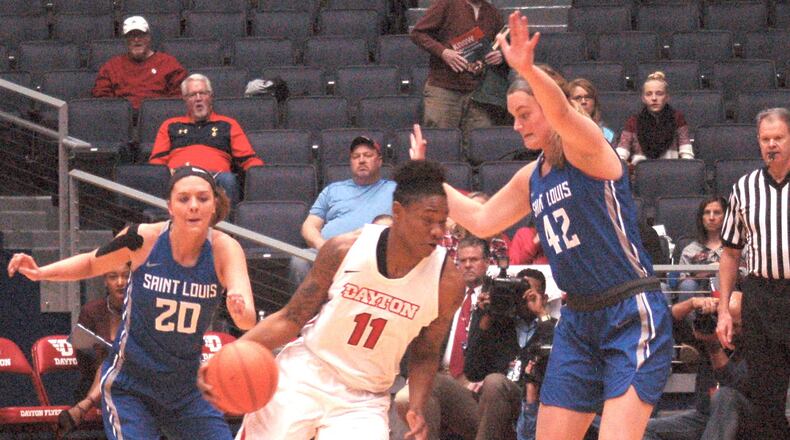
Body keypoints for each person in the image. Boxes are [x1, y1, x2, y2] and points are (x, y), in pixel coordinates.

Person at [410, 12, 673, 440]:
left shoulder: (591, 150)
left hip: (629, 311)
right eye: (513, 116)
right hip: (578, 320)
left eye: (525, 113)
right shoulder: (531, 177)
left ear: (550, 107)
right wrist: (428, 178)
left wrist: (527, 70)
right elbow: (479, 218)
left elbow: (566, 118)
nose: (517, 126)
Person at [207, 160, 465, 440]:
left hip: (365, 398)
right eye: (428, 220)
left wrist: (416, 406)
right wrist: (226, 359)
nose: (438, 231)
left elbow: (426, 352)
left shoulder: (448, 282)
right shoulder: (345, 250)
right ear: (398, 212)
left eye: (442, 221)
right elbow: (290, 318)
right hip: (307, 373)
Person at [7, 166, 257, 440]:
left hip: (187, 389)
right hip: (132, 387)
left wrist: (239, 309)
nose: (194, 206)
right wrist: (42, 272)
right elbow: (92, 262)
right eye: (184, 199)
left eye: (203, 198)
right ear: (170, 206)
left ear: (214, 205)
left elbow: (247, 319)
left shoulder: (225, 248)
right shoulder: (144, 238)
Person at [717, 107, 790, 439]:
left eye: (778, 137)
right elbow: (730, 253)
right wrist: (723, 311)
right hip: (760, 296)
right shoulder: (743, 189)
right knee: (765, 393)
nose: (771, 144)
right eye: (765, 139)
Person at [393, 236, 488, 440]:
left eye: (474, 260)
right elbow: (420, 339)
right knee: (404, 398)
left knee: (424, 388)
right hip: (439, 376)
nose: (468, 265)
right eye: (462, 261)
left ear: (487, 263)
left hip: (473, 386)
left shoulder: (497, 298)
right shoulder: (446, 295)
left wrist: (488, 314)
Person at [642, 292, 749, 440]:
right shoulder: (712, 331)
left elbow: (733, 383)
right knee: (643, 430)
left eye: (736, 325)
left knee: (725, 395)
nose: (731, 329)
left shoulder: (758, 344)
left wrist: (714, 347)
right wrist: (691, 304)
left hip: (742, 420)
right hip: (704, 416)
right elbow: (665, 321)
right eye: (726, 321)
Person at [410, 0, 505, 159]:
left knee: (480, 151)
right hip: (444, 89)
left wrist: (500, 56)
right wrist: (443, 52)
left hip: (479, 94)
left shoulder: (493, 13)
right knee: (440, 148)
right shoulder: (446, 4)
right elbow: (417, 33)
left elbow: (498, 45)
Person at [149, 74, 263, 205]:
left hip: (216, 179)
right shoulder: (170, 125)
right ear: (185, 99)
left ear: (211, 96)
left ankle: (224, 226)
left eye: (202, 93)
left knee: (229, 180)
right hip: (179, 177)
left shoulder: (228, 124)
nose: (198, 98)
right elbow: (156, 163)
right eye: (192, 95)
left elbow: (248, 159)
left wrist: (262, 175)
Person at [57, 263, 130, 438]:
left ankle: (82, 408)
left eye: (126, 276)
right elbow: (83, 358)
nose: (120, 282)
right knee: (109, 362)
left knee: (117, 360)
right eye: (113, 277)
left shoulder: (141, 311)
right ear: (105, 280)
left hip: (131, 385)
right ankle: (87, 403)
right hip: (95, 381)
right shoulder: (91, 312)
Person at [301, 136, 396, 250]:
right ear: (351, 162)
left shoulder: (395, 190)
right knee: (299, 262)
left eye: (368, 155)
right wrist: (321, 245)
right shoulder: (332, 190)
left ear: (379, 161)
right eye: (356, 156)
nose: (361, 160)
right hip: (329, 253)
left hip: (374, 254)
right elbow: (309, 225)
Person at [92, 16, 187, 110]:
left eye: (141, 35)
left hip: (159, 117)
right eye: (131, 35)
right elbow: (102, 98)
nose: (136, 39)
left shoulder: (168, 63)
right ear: (125, 40)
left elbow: (178, 96)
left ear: (148, 37)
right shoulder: (111, 66)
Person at [616, 72, 694, 166]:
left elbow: (687, 154)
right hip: (640, 174)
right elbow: (621, 154)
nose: (654, 98)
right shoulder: (633, 121)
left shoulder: (678, 119)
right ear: (643, 98)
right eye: (648, 94)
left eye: (659, 94)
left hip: (671, 172)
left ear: (667, 97)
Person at [675, 196, 728, 297]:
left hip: (731, 295)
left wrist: (721, 269)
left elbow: (745, 274)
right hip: (698, 297)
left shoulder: (736, 247)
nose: (711, 217)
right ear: (701, 217)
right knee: (687, 285)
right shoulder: (690, 250)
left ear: (725, 217)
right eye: (707, 213)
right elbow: (683, 280)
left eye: (717, 213)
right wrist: (708, 271)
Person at [566, 78, 615, 144]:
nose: (583, 102)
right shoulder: (560, 131)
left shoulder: (608, 135)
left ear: (595, 102)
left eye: (588, 97)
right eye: (578, 98)